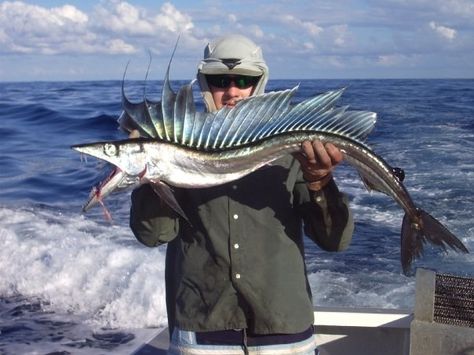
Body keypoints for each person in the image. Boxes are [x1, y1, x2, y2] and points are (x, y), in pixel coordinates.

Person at [129, 34, 353, 355]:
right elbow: (154, 235)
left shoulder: (291, 144)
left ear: (258, 83)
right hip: (202, 331)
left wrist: (319, 181)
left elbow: (335, 240)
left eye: (244, 80)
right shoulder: (177, 142)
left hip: (285, 330)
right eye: (220, 80)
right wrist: (153, 170)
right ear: (205, 84)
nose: (232, 91)